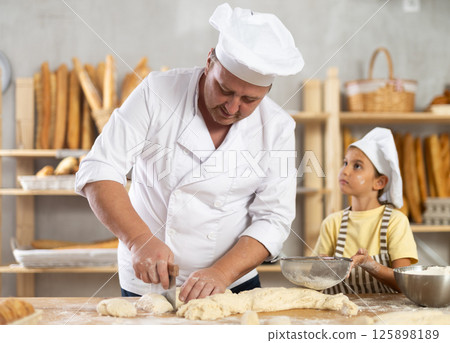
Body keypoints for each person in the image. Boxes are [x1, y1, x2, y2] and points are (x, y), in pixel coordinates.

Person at [75, 3, 304, 302]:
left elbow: (274, 218)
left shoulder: (277, 128)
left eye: (249, 99)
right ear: (209, 61)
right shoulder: (157, 93)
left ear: (267, 91)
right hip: (149, 280)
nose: (232, 108)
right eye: (224, 89)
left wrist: (222, 273)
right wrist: (139, 240)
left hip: (233, 281)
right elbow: (100, 169)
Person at [313, 127, 418, 294]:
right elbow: (317, 279)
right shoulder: (332, 223)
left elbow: (405, 282)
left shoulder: (396, 222)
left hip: (386, 318)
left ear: (380, 182)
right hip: (340, 317)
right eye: (345, 163)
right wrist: (321, 267)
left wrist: (370, 264)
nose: (345, 171)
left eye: (357, 166)